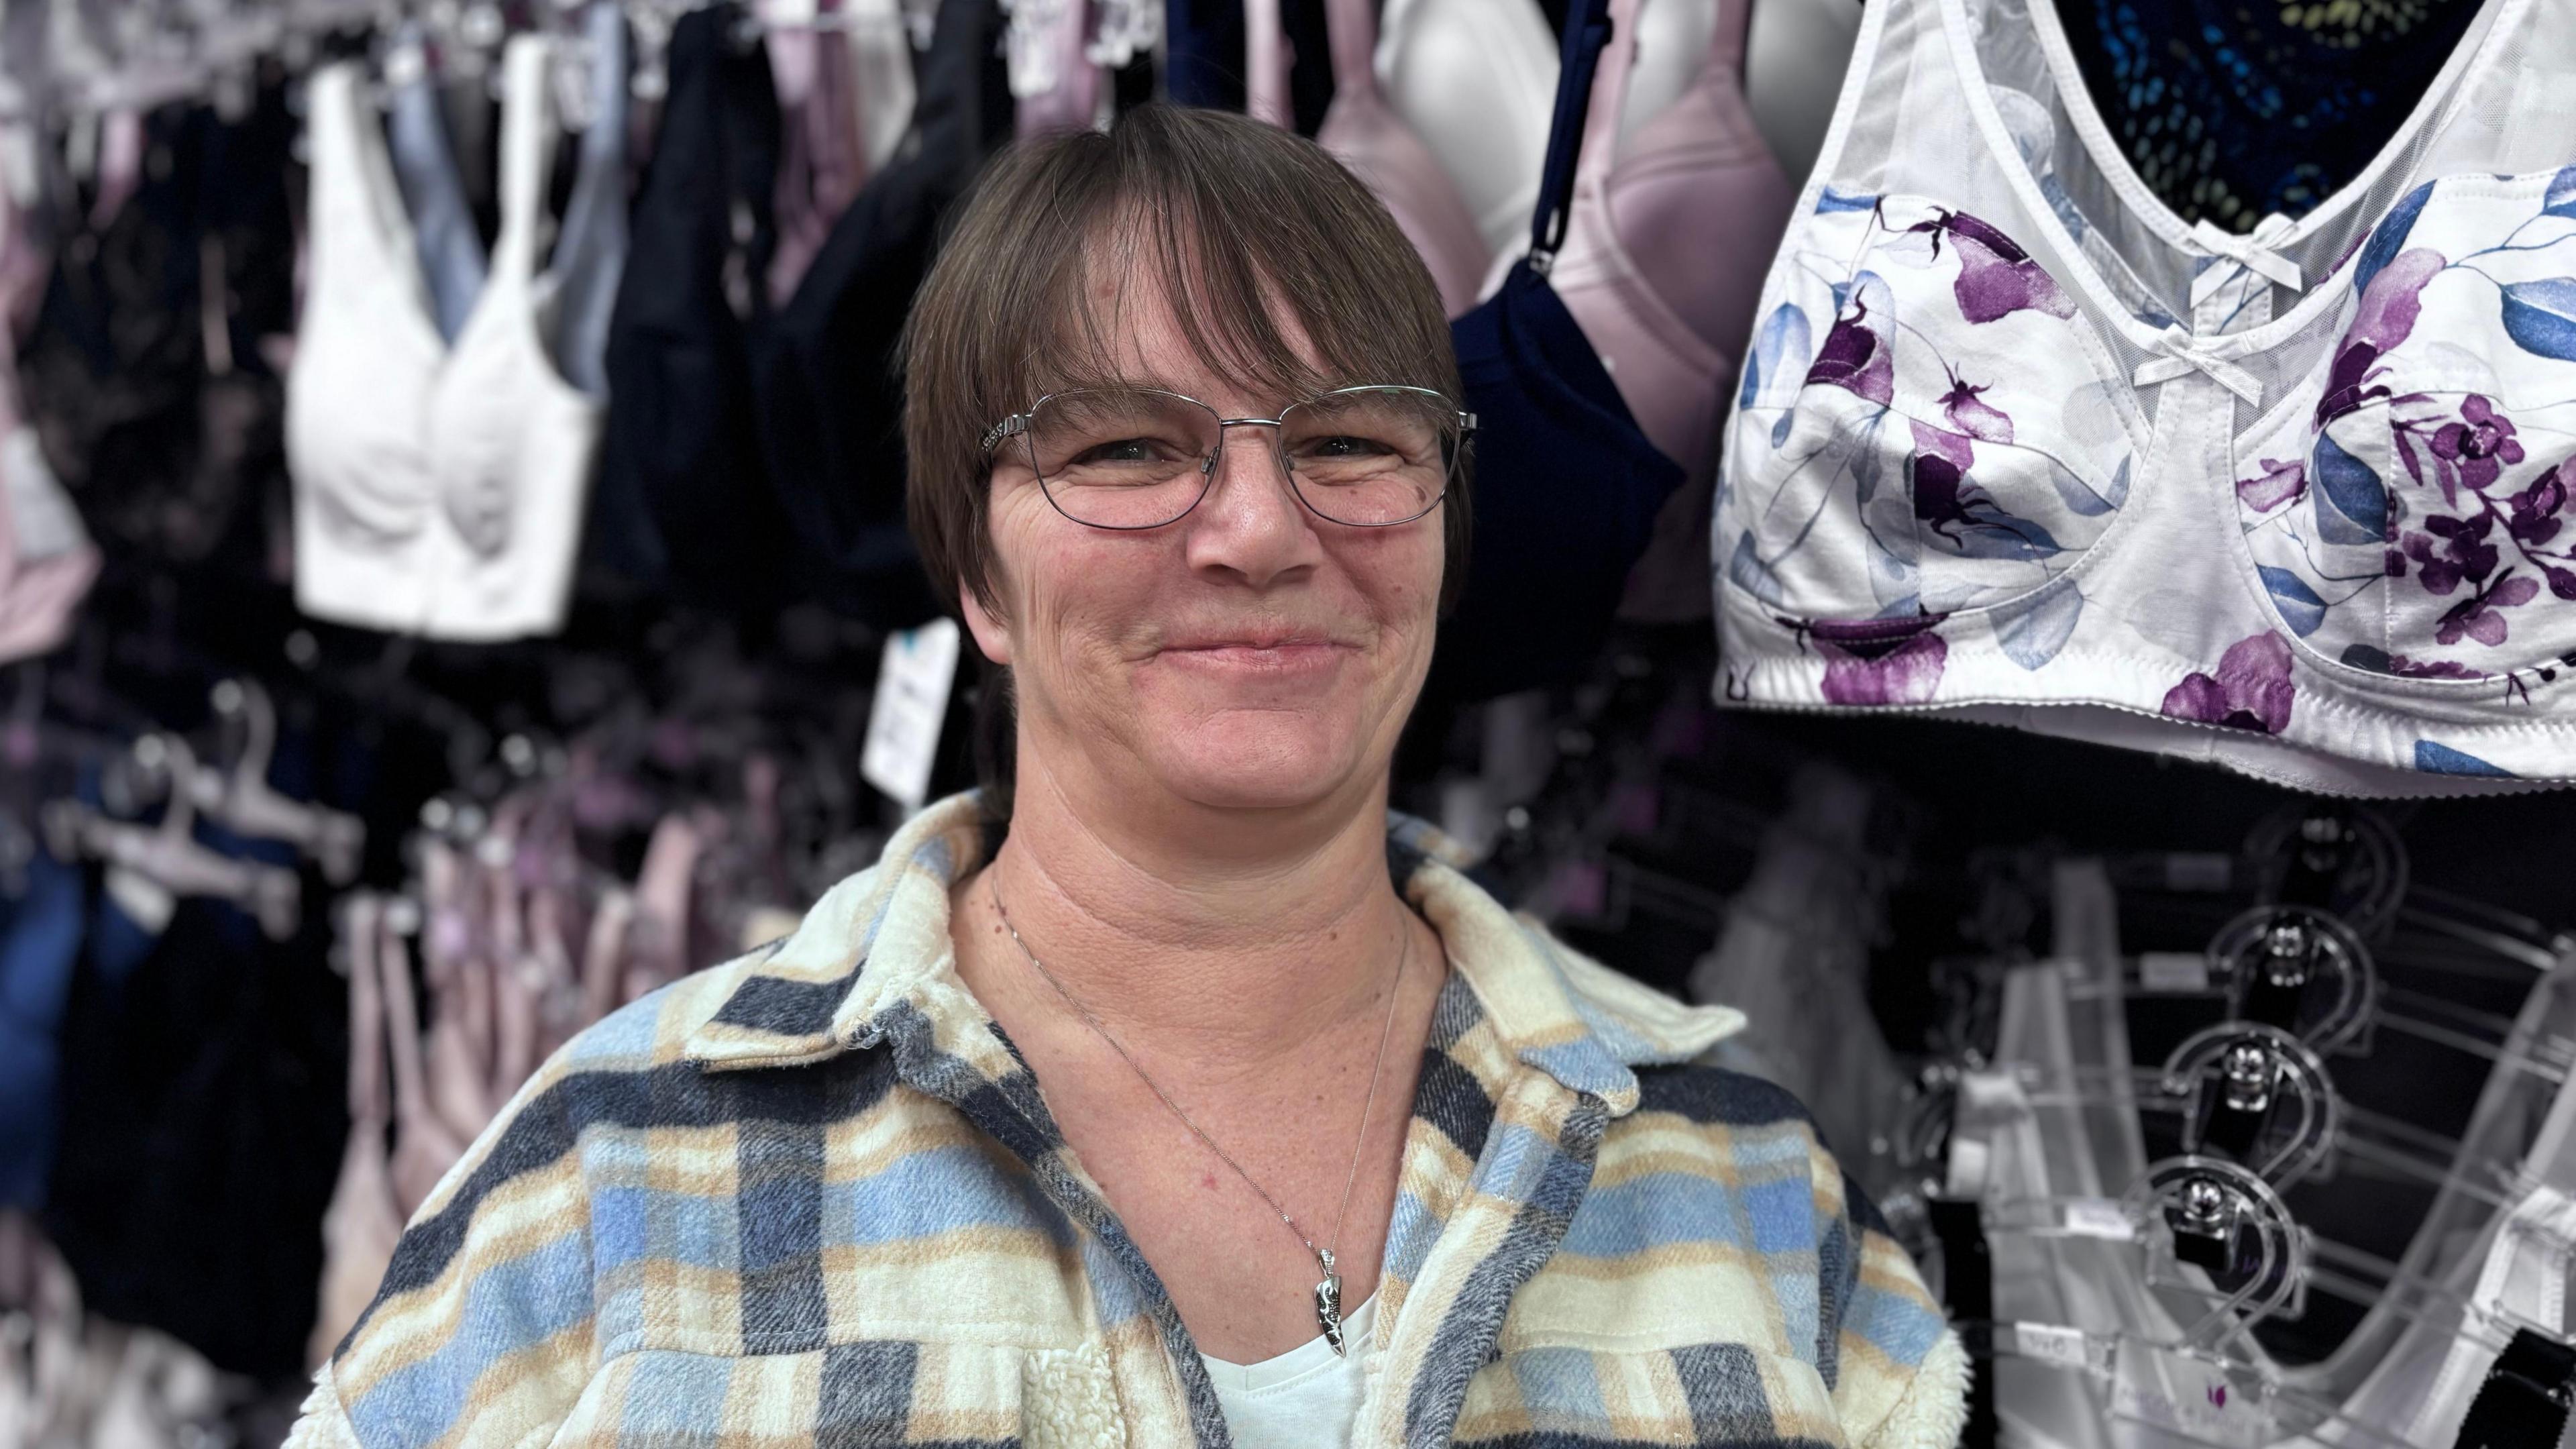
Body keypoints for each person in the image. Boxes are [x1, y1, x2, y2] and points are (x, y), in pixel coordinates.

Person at [284, 104, 1966, 1449]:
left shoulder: (1749, 1189)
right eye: (1127, 450)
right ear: (974, 577)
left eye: (1352, 442)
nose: (1256, 530)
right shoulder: (620, 1176)